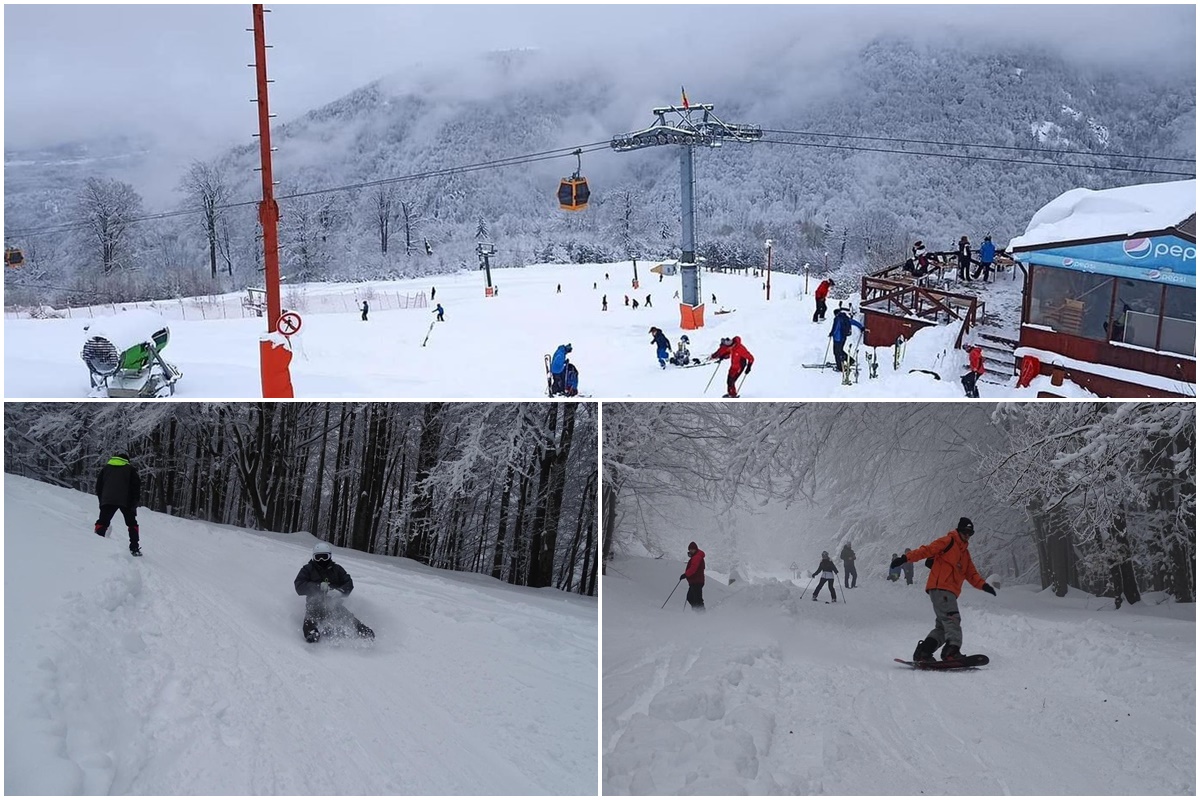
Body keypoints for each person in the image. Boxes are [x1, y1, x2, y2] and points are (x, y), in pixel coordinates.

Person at [890, 517, 996, 663]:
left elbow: (971, 574)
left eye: (970, 533)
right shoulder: (948, 541)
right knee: (953, 619)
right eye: (965, 532)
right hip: (941, 587)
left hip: (948, 591)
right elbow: (926, 550)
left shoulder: (965, 554)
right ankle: (951, 652)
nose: (967, 536)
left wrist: (984, 586)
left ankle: (924, 652)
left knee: (943, 626)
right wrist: (904, 558)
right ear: (959, 530)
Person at [294, 541, 374, 643]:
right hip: (314, 605)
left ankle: (363, 631)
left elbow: (348, 582)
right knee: (310, 619)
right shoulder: (308, 569)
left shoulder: (337, 570)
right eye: (318, 557)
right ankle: (312, 633)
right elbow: (299, 585)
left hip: (333, 604)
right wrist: (317, 587)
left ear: (330, 556)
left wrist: (340, 592)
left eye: (324, 557)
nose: (322, 560)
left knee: (347, 616)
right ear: (314, 557)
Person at [94, 452, 142, 556]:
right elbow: (136, 487)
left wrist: (102, 501)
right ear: (127, 461)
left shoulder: (105, 469)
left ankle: (96, 543)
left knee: (102, 522)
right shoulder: (130, 470)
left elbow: (98, 486)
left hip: (107, 499)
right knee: (132, 523)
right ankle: (134, 548)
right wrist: (134, 503)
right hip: (126, 500)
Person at [829, 307, 866, 372]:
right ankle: (851, 361)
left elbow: (836, 328)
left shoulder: (837, 319)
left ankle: (840, 367)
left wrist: (831, 333)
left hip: (837, 338)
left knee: (837, 352)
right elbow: (854, 322)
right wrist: (861, 327)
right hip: (843, 338)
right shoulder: (846, 318)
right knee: (840, 350)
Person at [681, 541, 706, 611]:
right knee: (691, 597)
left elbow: (693, 568)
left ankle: (701, 614)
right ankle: (698, 612)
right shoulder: (696, 556)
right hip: (695, 581)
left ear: (696, 549)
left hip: (697, 581)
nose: (691, 551)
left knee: (696, 598)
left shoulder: (697, 557)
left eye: (692, 549)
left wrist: (685, 574)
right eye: (690, 549)